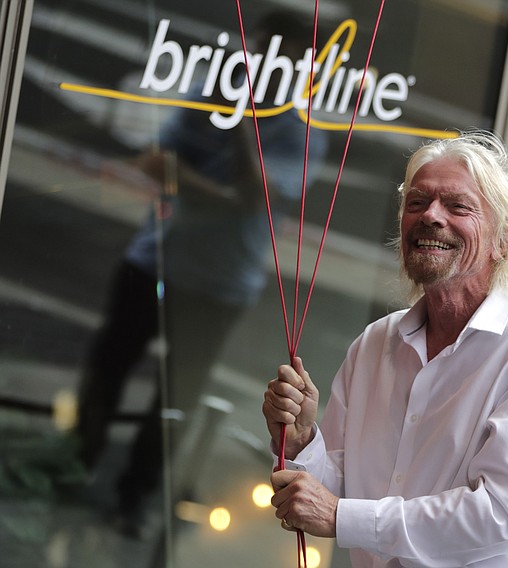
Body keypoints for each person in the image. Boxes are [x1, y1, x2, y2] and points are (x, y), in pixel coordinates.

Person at [263, 130, 508, 567]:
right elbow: (337, 494)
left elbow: (499, 516)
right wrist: (303, 438)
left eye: (458, 206)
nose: (431, 216)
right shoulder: (373, 345)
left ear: (503, 241)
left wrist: (342, 516)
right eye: (417, 203)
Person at [75, 10, 328, 537]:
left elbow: (259, 191)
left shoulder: (300, 131)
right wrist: (222, 195)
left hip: (220, 283)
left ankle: (134, 497)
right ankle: (76, 467)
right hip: (157, 258)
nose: (262, 60)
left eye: (280, 52)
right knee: (109, 366)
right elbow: (155, 160)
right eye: (261, 46)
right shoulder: (210, 95)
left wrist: (240, 128)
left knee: (176, 394)